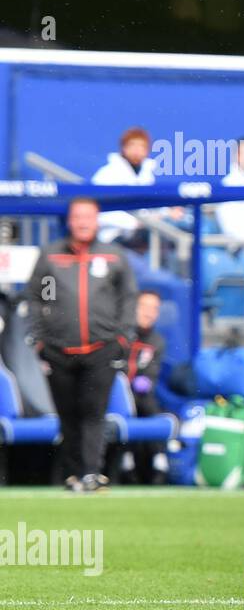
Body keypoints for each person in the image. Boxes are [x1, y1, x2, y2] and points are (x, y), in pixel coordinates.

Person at [24, 198, 137, 491]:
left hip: (102, 348)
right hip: (58, 349)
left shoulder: (114, 256)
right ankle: (74, 474)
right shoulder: (51, 257)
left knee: (93, 411)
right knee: (67, 413)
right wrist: (40, 336)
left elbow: (127, 299)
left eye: (89, 216)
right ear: (69, 221)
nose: (83, 222)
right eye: (78, 217)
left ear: (97, 220)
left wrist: (123, 337)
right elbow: (40, 296)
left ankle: (91, 472)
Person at [122, 289, 169, 485]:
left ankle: (159, 460)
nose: (149, 313)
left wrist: (144, 381)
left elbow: (151, 373)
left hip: (140, 397)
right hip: (114, 394)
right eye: (144, 307)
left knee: (148, 403)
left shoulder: (157, 341)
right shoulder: (121, 335)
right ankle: (125, 460)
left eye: (154, 309)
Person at [92, 126, 160, 246]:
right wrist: (134, 223)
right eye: (132, 145)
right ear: (123, 147)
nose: (137, 150)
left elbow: (148, 210)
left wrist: (167, 213)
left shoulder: (147, 174)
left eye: (141, 146)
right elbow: (99, 211)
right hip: (111, 238)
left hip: (141, 237)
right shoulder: (107, 173)